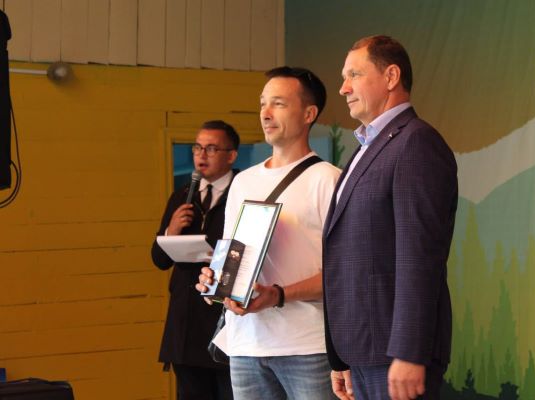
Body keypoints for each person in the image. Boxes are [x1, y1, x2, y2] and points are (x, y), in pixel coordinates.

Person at [322, 35, 458, 400]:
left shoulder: (416, 143)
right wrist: (341, 356)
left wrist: (409, 352)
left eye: (354, 75)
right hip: (363, 351)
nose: (343, 88)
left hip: (395, 354)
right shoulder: (367, 148)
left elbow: (420, 256)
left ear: (391, 76)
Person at [196, 66, 340, 400]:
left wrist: (278, 295)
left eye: (278, 103)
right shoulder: (243, 181)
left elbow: (344, 274)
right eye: (263, 103)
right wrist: (214, 282)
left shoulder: (328, 180)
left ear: (309, 114)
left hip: (307, 347)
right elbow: (231, 255)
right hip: (245, 345)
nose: (265, 112)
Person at [151, 120, 240, 400]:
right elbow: (159, 259)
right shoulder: (182, 196)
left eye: (211, 148)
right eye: (197, 148)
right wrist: (171, 231)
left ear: (231, 155)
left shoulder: (243, 192)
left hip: (223, 318)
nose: (202, 155)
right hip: (185, 322)